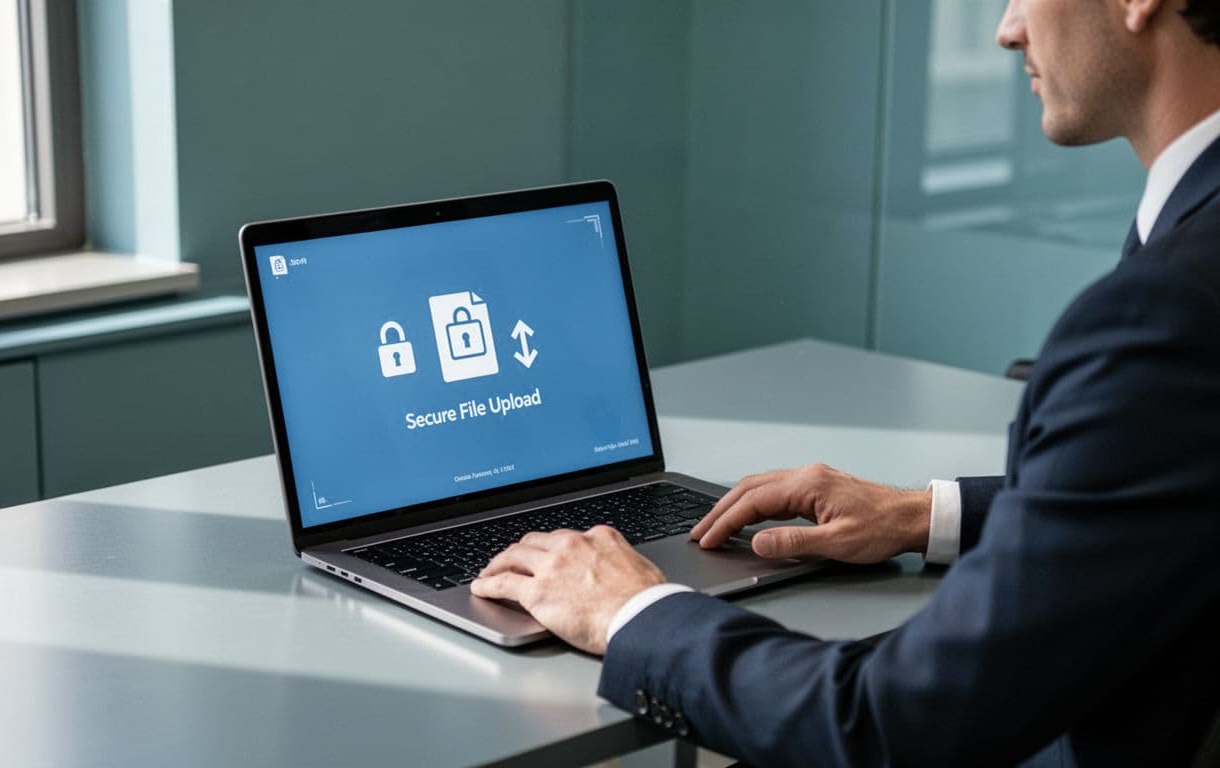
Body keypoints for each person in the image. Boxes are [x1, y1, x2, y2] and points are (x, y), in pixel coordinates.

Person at [470, 0, 1220, 764]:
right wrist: (923, 515)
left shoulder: (1164, 313)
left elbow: (889, 724)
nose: (1006, 28)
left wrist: (631, 612)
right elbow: (1169, 492)